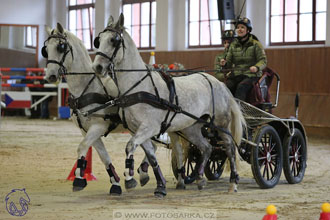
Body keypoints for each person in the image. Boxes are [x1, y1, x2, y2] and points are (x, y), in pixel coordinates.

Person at [220, 17, 267, 102]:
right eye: (238, 27)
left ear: (248, 30)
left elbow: (263, 61)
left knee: (241, 87)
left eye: (242, 27)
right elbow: (229, 64)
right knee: (226, 86)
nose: (239, 29)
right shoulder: (233, 45)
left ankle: (239, 111)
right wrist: (224, 64)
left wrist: (256, 67)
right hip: (237, 74)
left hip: (252, 75)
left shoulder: (256, 44)